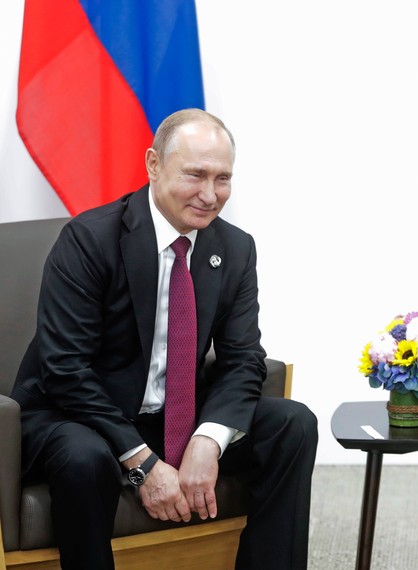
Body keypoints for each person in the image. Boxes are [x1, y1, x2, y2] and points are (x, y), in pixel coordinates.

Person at [12, 108, 318, 570]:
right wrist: (144, 464)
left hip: (169, 415)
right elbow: (64, 369)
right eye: (195, 175)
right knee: (86, 457)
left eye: (223, 179)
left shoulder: (234, 249)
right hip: (76, 416)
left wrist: (208, 440)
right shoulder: (89, 239)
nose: (210, 195)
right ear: (154, 165)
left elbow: (243, 359)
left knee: (292, 424)